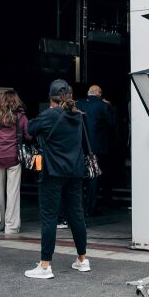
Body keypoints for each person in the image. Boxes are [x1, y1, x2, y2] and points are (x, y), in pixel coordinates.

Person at [25, 80, 90, 279]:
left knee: (49, 217)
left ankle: (45, 265)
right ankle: (82, 259)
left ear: (50, 97)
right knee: (76, 214)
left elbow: (30, 128)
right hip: (75, 171)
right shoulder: (77, 115)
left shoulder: (49, 115)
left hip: (53, 172)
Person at [0, 89, 28, 234]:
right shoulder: (20, 117)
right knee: (13, 192)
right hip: (14, 157)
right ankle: (11, 226)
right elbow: (28, 135)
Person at [76, 84, 114, 217]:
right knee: (93, 177)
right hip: (96, 147)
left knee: (79, 178)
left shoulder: (77, 103)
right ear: (99, 93)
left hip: (79, 147)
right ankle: (91, 208)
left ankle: (78, 208)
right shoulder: (103, 105)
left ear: (88, 92)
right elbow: (112, 122)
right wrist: (109, 106)